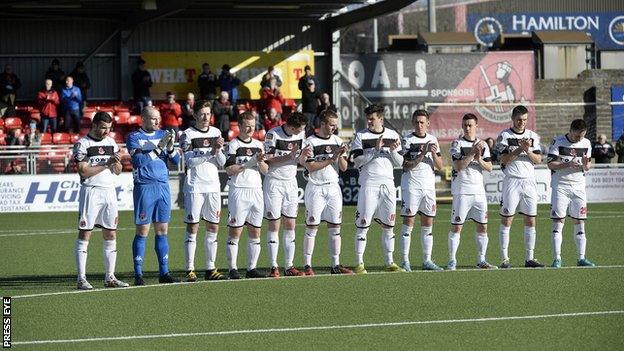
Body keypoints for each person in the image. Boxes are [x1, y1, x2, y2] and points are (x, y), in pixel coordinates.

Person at [72, 111, 128, 290]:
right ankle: (81, 278)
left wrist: (116, 162)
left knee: (111, 233)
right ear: (94, 125)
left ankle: (110, 277)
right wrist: (106, 163)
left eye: (109, 128)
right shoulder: (83, 144)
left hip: (109, 192)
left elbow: (118, 170)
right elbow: (83, 171)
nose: (107, 132)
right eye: (103, 128)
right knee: (85, 233)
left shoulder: (111, 142)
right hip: (91, 192)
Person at [126, 107, 180, 285]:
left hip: (163, 187)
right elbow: (138, 162)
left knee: (163, 230)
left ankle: (164, 273)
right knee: (143, 231)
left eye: (158, 119)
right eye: (153, 119)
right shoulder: (134, 137)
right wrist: (159, 148)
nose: (157, 122)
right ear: (143, 119)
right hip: (145, 187)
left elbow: (176, 161)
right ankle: (138, 274)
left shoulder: (164, 134)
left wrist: (170, 148)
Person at [350, 104, 404, 274]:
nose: (369, 121)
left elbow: (400, 163)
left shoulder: (392, 135)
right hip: (369, 184)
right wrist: (375, 150)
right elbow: (357, 161)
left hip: (388, 184)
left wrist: (394, 152)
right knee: (363, 224)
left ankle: (390, 262)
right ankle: (359, 263)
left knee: (389, 225)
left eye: (372, 119)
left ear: (381, 119)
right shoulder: (361, 136)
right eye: (368, 119)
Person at [179, 100, 227, 282]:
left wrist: (218, 150)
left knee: (213, 226)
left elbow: (221, 162)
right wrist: (211, 152)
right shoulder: (187, 134)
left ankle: (210, 268)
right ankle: (190, 269)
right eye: (203, 114)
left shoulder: (216, 132)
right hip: (195, 187)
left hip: (213, 187)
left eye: (208, 113)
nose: (206, 117)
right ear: (195, 115)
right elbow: (190, 161)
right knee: (193, 227)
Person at [300, 110, 353, 275]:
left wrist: (340, 156)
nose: (334, 128)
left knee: (335, 227)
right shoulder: (310, 142)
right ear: (322, 124)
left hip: (333, 188)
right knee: (312, 226)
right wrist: (331, 158)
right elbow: (310, 166)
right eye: (331, 125)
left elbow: (344, 168)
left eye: (335, 125)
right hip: (316, 187)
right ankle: (307, 265)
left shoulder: (337, 140)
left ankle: (335, 265)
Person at [496, 105, 545, 269]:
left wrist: (527, 151)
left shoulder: (532, 136)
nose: (522, 122)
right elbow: (503, 159)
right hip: (512, 181)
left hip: (529, 182)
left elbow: (538, 160)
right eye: (519, 119)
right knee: (507, 219)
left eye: (524, 119)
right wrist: (520, 149)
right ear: (512, 118)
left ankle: (529, 258)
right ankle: (504, 259)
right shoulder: (505, 135)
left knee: (531, 220)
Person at [224, 111, 270, 279]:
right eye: (248, 126)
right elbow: (229, 169)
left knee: (255, 231)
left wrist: (259, 162)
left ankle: (252, 268)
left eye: (253, 125)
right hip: (239, 190)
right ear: (240, 126)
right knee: (235, 231)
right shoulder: (234, 144)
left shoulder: (259, 144)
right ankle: (233, 269)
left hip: (256, 191)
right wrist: (249, 163)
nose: (251, 129)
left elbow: (265, 170)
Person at [447, 113, 496, 270]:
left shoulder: (483, 145)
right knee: (457, 227)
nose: (467, 128)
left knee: (482, 226)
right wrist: (472, 153)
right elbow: (458, 166)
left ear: (476, 126)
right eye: (465, 125)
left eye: (470, 125)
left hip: (479, 192)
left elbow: (489, 167)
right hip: (462, 191)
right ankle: (452, 261)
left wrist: (479, 158)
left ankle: (481, 260)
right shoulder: (457, 144)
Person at [263, 112, 308, 277]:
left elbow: (301, 160)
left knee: (290, 224)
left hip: (291, 182)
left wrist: (304, 156)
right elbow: (267, 159)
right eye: (300, 129)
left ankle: (289, 266)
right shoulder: (272, 134)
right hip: (274, 182)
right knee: (274, 225)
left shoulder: (301, 135)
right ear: (292, 127)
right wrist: (288, 156)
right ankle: (273, 267)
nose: (302, 131)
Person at [399, 109, 444, 272]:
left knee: (428, 223)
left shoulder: (433, 139)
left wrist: (433, 154)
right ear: (413, 123)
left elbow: (440, 165)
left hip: (428, 187)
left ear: (428, 124)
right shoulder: (407, 140)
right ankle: (405, 261)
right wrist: (422, 153)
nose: (419, 125)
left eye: (422, 122)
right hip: (412, 186)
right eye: (417, 122)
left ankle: (427, 260)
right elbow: (405, 165)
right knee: (409, 222)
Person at [547, 119, 595, 267]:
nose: (579, 139)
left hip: (579, 188)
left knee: (580, 223)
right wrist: (567, 164)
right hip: (560, 187)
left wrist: (587, 166)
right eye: (577, 136)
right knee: (558, 222)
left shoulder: (586, 143)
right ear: (571, 130)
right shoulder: (558, 141)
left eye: (582, 136)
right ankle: (557, 259)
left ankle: (581, 258)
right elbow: (550, 163)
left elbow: (587, 165)